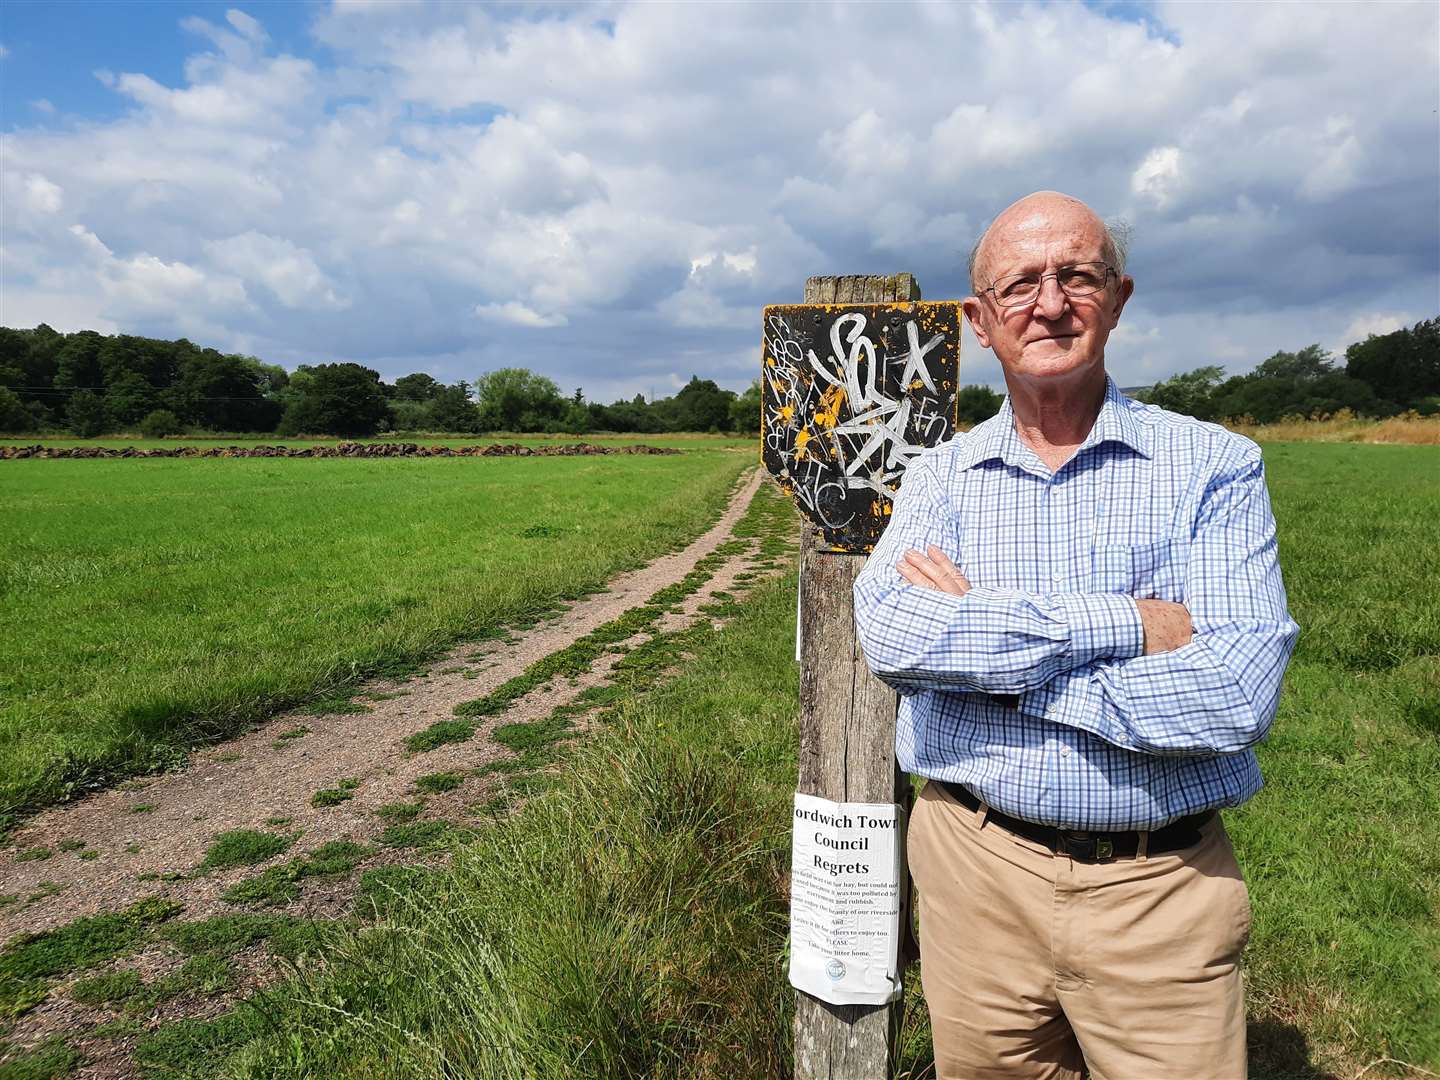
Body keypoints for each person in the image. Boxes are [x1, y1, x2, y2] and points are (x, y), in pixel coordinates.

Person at [852, 191, 1299, 1079]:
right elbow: (893, 633)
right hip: (974, 872)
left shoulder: (1214, 466)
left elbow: (1233, 694)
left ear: (1120, 297)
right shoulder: (942, 474)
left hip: (1157, 891)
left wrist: (984, 655)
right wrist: (1125, 621)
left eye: (1076, 277)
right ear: (980, 321)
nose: (1050, 304)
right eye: (1019, 285)